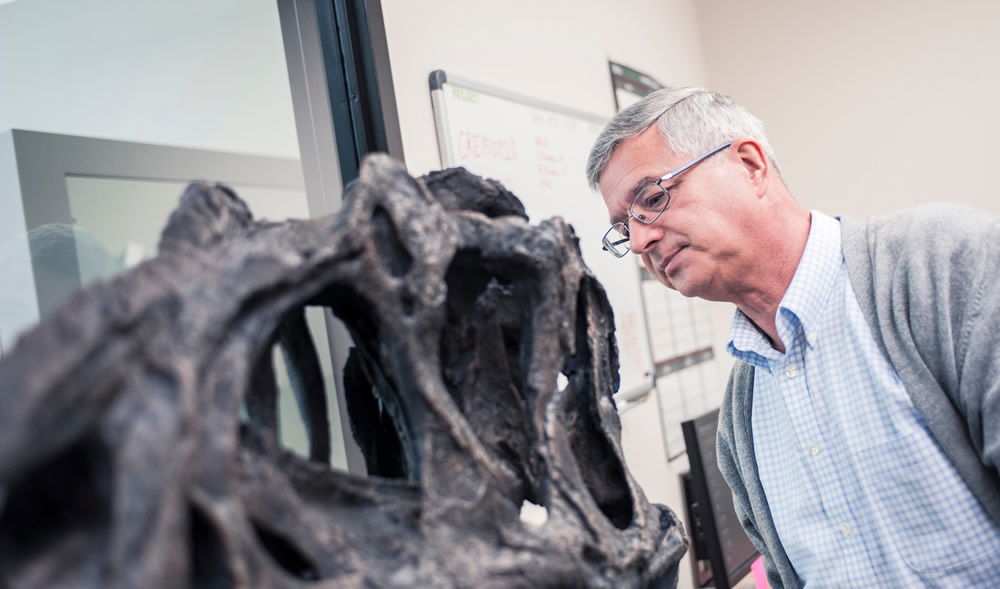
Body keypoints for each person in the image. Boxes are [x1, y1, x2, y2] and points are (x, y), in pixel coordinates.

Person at [586, 87, 1000, 587]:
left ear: (750, 164)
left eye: (651, 198)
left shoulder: (944, 266)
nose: (639, 240)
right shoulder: (740, 421)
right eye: (623, 227)